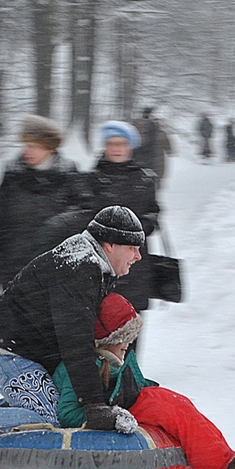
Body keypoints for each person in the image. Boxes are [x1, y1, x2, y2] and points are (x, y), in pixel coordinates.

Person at [0, 205, 146, 449]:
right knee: (50, 419)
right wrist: (93, 405)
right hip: (8, 354)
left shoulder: (91, 264)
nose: (138, 256)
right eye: (132, 248)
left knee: (58, 408)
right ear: (109, 245)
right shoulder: (79, 269)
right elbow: (75, 341)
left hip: (26, 352)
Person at [54, 292, 235, 469]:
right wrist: (111, 417)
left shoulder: (117, 358)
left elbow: (134, 380)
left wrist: (150, 387)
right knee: (170, 410)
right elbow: (68, 413)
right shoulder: (82, 367)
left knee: (179, 403)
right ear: (108, 338)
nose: (128, 343)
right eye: (124, 337)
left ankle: (226, 458)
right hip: (118, 408)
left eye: (131, 336)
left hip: (129, 399)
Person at [0, 115, 82, 293]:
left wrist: (60, 225)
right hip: (14, 268)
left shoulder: (69, 176)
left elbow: (82, 217)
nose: (27, 151)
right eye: (26, 145)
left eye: (34, 146)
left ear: (50, 148)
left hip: (55, 271)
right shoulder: (13, 174)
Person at [86, 121, 160, 353]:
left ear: (131, 146)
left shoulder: (144, 178)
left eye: (122, 143)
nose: (117, 148)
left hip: (134, 264)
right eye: (111, 143)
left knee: (130, 322)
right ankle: (100, 378)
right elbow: (84, 218)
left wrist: (133, 231)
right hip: (99, 263)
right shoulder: (91, 179)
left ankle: (129, 377)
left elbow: (153, 214)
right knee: (98, 321)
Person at [131, 106, 167, 185]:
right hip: (151, 159)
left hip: (137, 159)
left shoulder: (136, 126)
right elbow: (166, 147)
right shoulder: (156, 130)